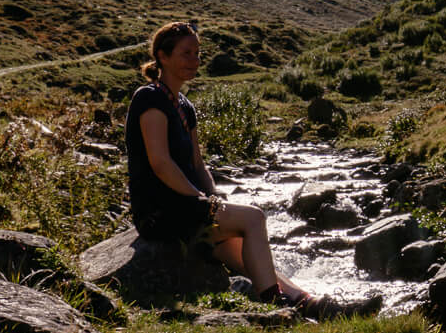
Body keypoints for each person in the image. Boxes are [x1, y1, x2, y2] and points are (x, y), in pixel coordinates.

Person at [125, 20, 364, 317]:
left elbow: (198, 164)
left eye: (198, 53)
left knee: (238, 245)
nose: (194, 61)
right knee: (253, 218)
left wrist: (212, 198)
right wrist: (202, 202)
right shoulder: (149, 98)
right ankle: (274, 305)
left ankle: (309, 303)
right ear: (163, 56)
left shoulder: (184, 106)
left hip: (186, 208)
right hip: (160, 211)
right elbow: (160, 163)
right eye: (186, 53)